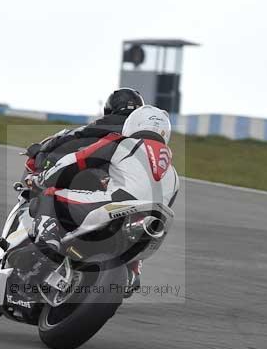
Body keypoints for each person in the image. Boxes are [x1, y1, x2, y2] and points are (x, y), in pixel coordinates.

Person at [28, 105, 179, 294]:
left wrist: (42, 178)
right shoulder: (174, 175)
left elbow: (77, 160)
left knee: (50, 195)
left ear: (134, 124)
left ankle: (47, 245)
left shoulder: (121, 143)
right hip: (144, 227)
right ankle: (133, 271)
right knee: (144, 228)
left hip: (113, 205)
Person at [25, 88, 144, 174]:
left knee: (57, 162)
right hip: (137, 177)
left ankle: (42, 186)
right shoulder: (144, 127)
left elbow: (77, 135)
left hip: (107, 175)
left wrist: (44, 147)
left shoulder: (110, 122)